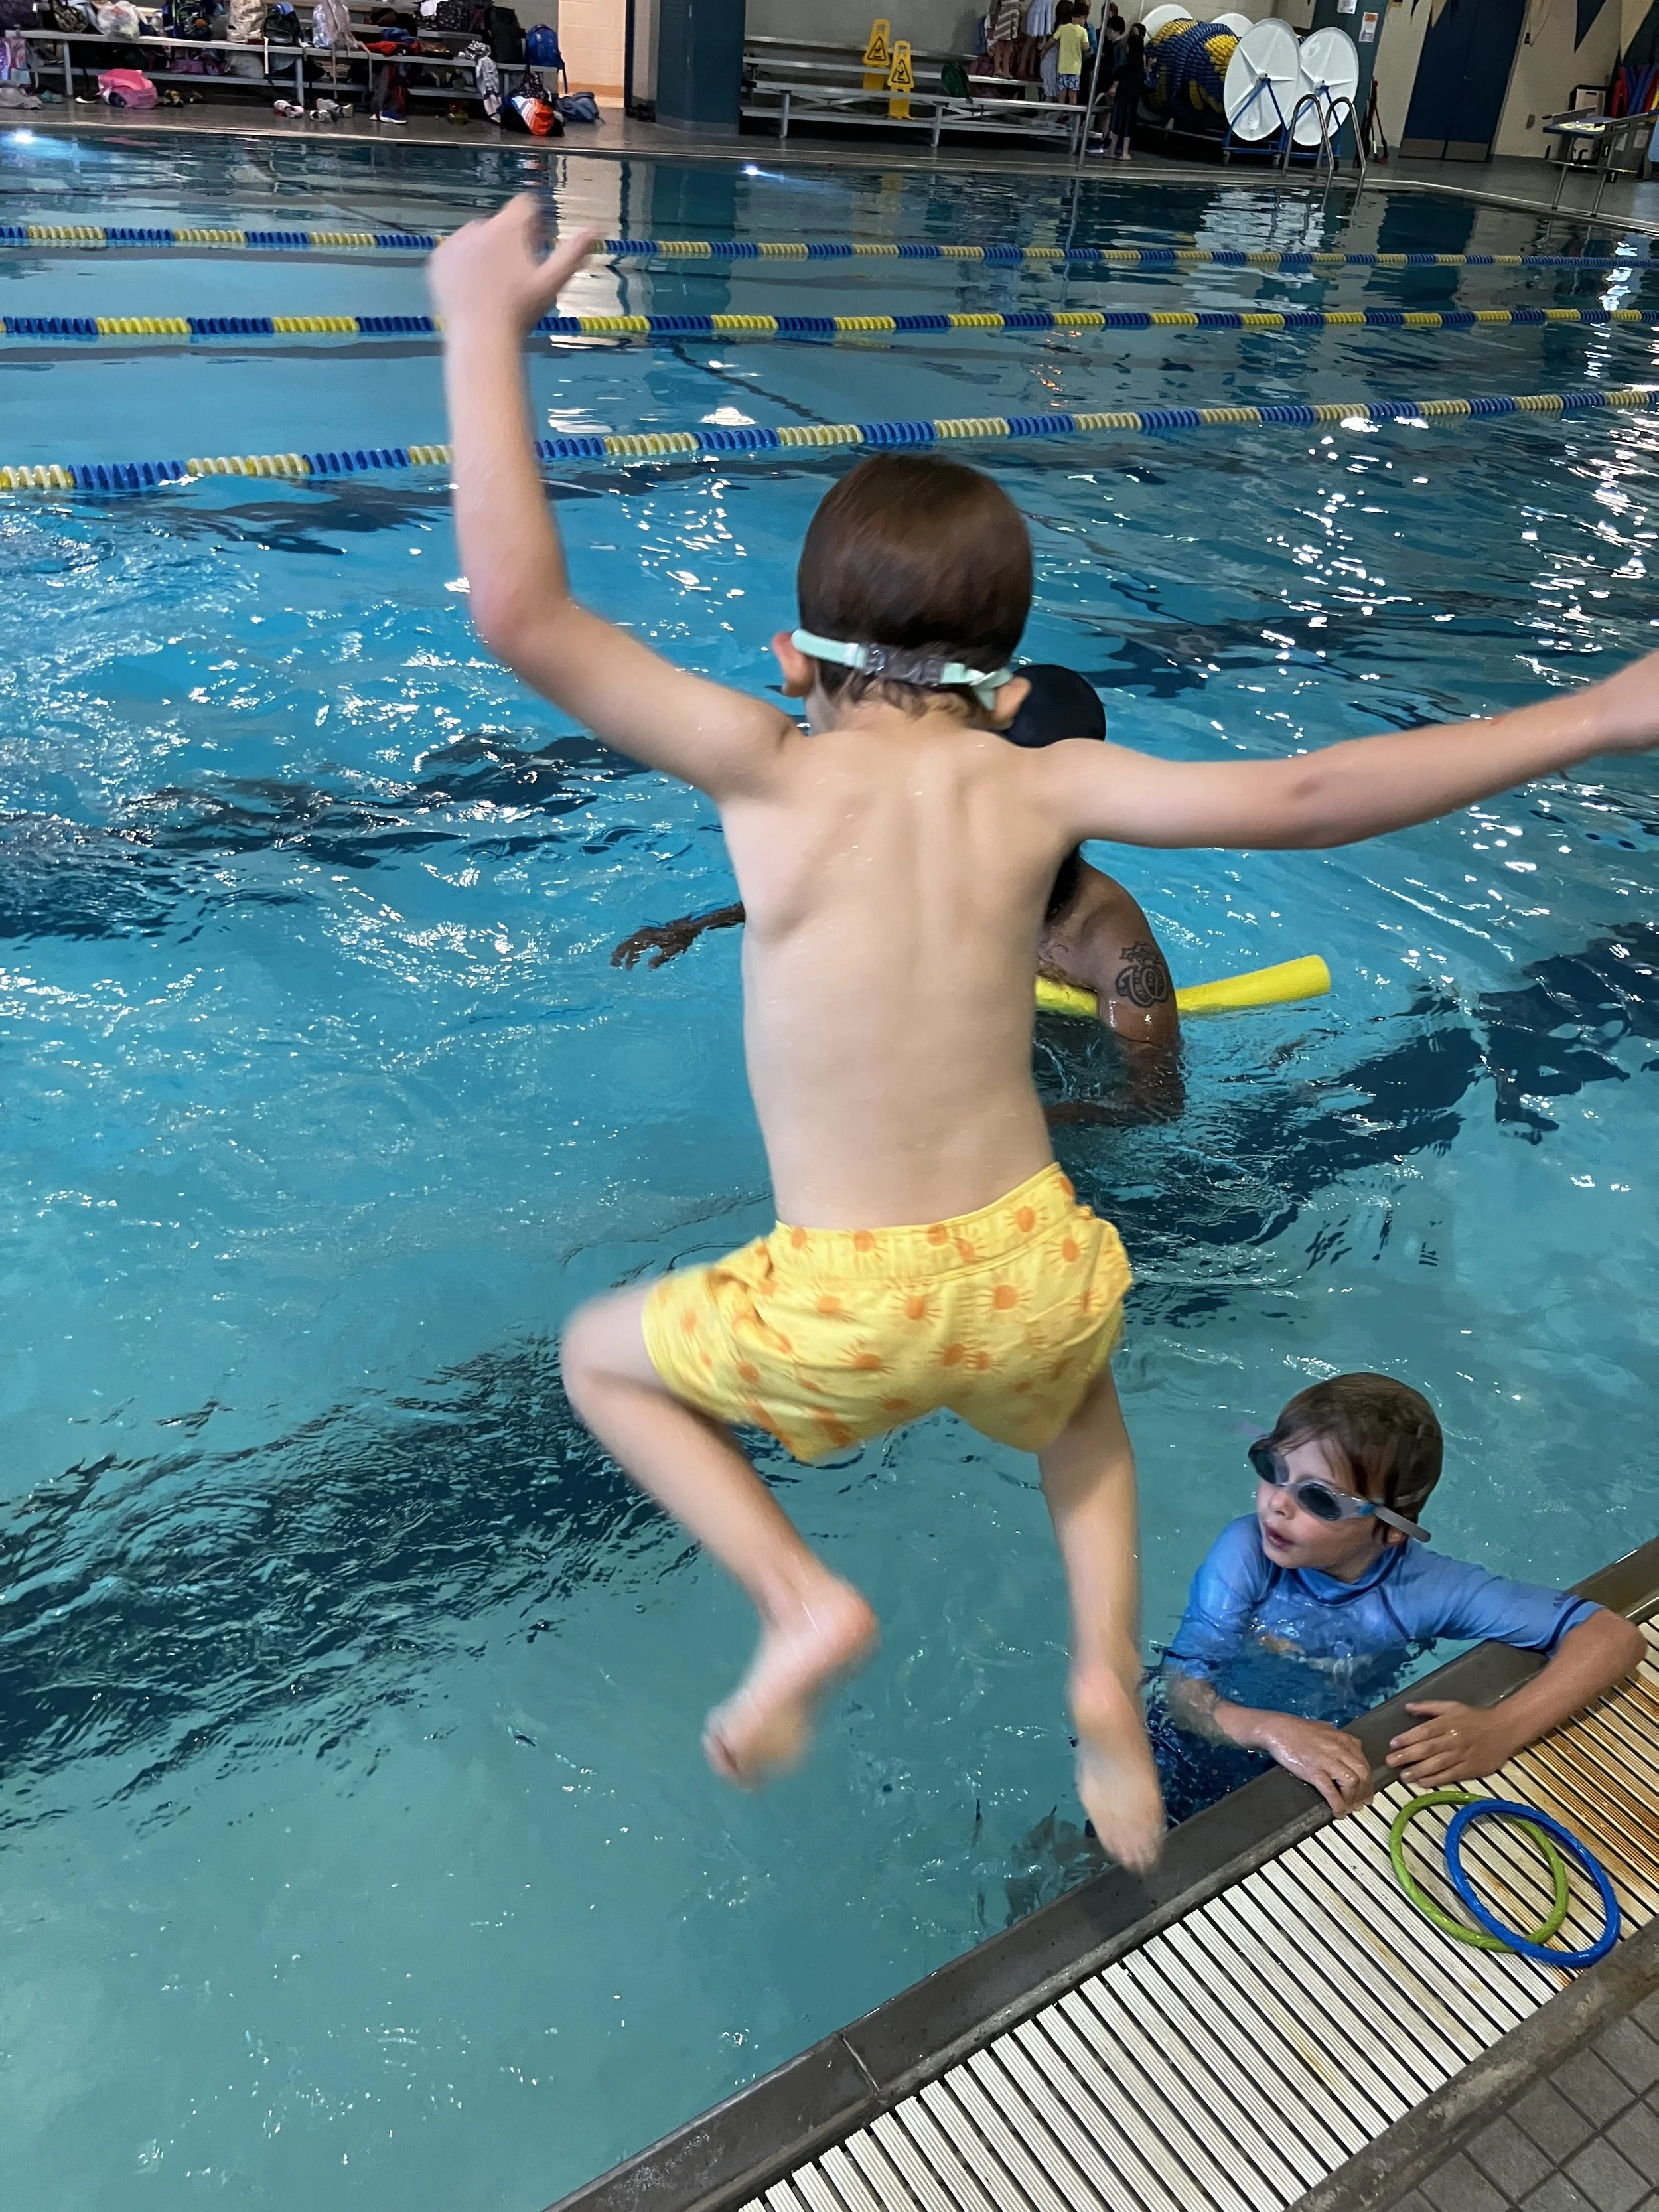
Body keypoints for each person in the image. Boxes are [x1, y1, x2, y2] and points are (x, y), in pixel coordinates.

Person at [430, 196, 1659, 1870]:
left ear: (793, 659)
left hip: (842, 1297)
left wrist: (477, 327)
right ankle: (1099, 1690)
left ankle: (796, 1602)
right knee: (1081, 1428)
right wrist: (1598, 710)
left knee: (596, 1354)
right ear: (1007, 691)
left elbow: (519, 610)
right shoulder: (1045, 784)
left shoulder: (761, 768)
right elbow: (1308, 793)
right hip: (1030, 1259)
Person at [612, 665, 1184, 1125]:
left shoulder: (1105, 936)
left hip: (1049, 1103)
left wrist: (1016, 1122)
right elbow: (831, 883)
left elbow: (1156, 1099)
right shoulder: (938, 849)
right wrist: (695, 925)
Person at [1161, 1374, 1646, 1816]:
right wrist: (1270, 1729)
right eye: (1273, 1467)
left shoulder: (1423, 1591)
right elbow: (1183, 1688)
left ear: (1393, 1527)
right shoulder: (1245, 1550)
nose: (1278, 1503)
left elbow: (1613, 1637)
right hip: (1206, 1730)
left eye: (1319, 1498)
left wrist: (1502, 1728)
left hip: (1332, 1739)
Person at [1101, 17, 1142, 157]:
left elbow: (1119, 70)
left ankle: (1110, 148)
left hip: (1122, 92)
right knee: (1125, 122)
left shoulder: (1124, 58)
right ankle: (1123, 151)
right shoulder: (1139, 64)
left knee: (1116, 119)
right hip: (1132, 94)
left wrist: (1114, 85)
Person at [1053, 0, 1088, 102]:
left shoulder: (1062, 28)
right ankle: (1072, 112)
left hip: (1062, 67)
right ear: (1082, 17)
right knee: (1073, 94)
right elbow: (1085, 47)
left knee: (1062, 94)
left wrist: (1044, 50)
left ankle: (1060, 110)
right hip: (1075, 68)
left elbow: (1053, 40)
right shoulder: (1083, 31)